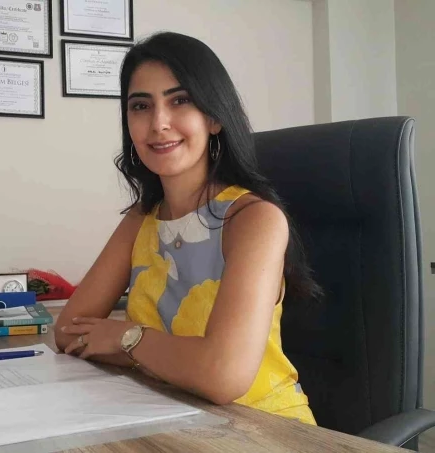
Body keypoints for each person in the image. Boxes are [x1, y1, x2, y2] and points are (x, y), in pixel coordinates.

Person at [54, 31, 321, 425]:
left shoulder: (253, 219)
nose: (158, 123)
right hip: (170, 414)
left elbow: (223, 376)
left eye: (179, 100)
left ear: (213, 117)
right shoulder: (140, 220)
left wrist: (127, 337)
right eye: (141, 106)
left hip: (266, 426)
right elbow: (66, 331)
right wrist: (168, 358)